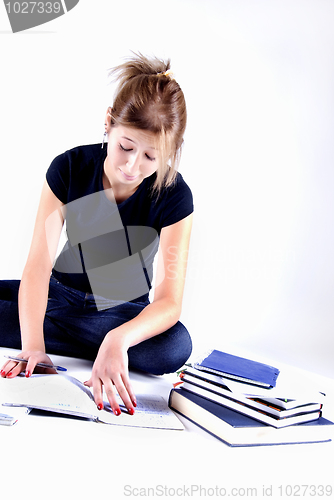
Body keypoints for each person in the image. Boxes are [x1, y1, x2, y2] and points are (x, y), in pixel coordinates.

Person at [0, 53, 193, 417]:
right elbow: (38, 267)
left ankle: (102, 345)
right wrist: (33, 347)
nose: (133, 166)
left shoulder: (175, 195)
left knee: (173, 347)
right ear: (108, 123)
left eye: (152, 157)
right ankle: (72, 340)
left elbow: (169, 302)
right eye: (125, 147)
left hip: (121, 315)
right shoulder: (69, 167)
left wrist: (118, 338)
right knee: (30, 301)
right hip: (57, 300)